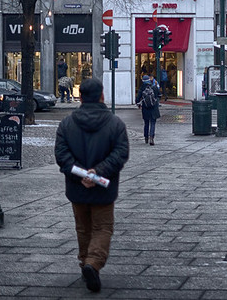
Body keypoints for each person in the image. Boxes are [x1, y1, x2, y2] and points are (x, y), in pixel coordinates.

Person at [54, 78, 129, 293]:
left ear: (80, 97)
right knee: (102, 227)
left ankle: (84, 263)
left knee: (83, 228)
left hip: (77, 187)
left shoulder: (67, 123)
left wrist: (80, 174)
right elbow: (120, 153)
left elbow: (61, 155)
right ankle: (93, 263)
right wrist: (98, 173)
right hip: (103, 187)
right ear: (101, 96)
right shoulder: (115, 123)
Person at [135, 75, 160, 145]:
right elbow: (159, 95)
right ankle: (151, 137)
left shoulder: (142, 88)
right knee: (153, 123)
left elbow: (137, 99)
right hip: (153, 108)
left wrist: (139, 104)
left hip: (145, 108)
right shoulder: (154, 87)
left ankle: (146, 138)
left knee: (146, 123)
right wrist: (156, 101)